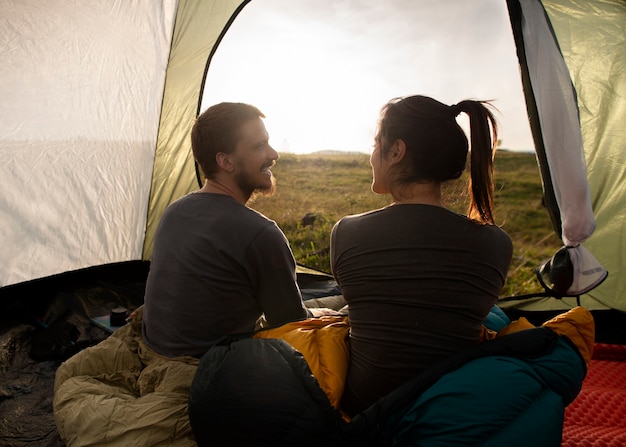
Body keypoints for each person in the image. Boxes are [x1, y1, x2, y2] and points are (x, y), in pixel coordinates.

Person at [330, 95, 513, 416]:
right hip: (450, 409)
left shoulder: (347, 232)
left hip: (366, 408)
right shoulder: (498, 243)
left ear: (397, 151)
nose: (372, 156)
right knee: (494, 316)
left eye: (377, 144)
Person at [142, 102, 327, 359]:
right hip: (209, 367)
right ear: (226, 161)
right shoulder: (260, 233)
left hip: (157, 348)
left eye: (268, 142)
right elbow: (293, 323)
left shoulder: (175, 211)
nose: (274, 154)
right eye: (259, 146)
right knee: (338, 309)